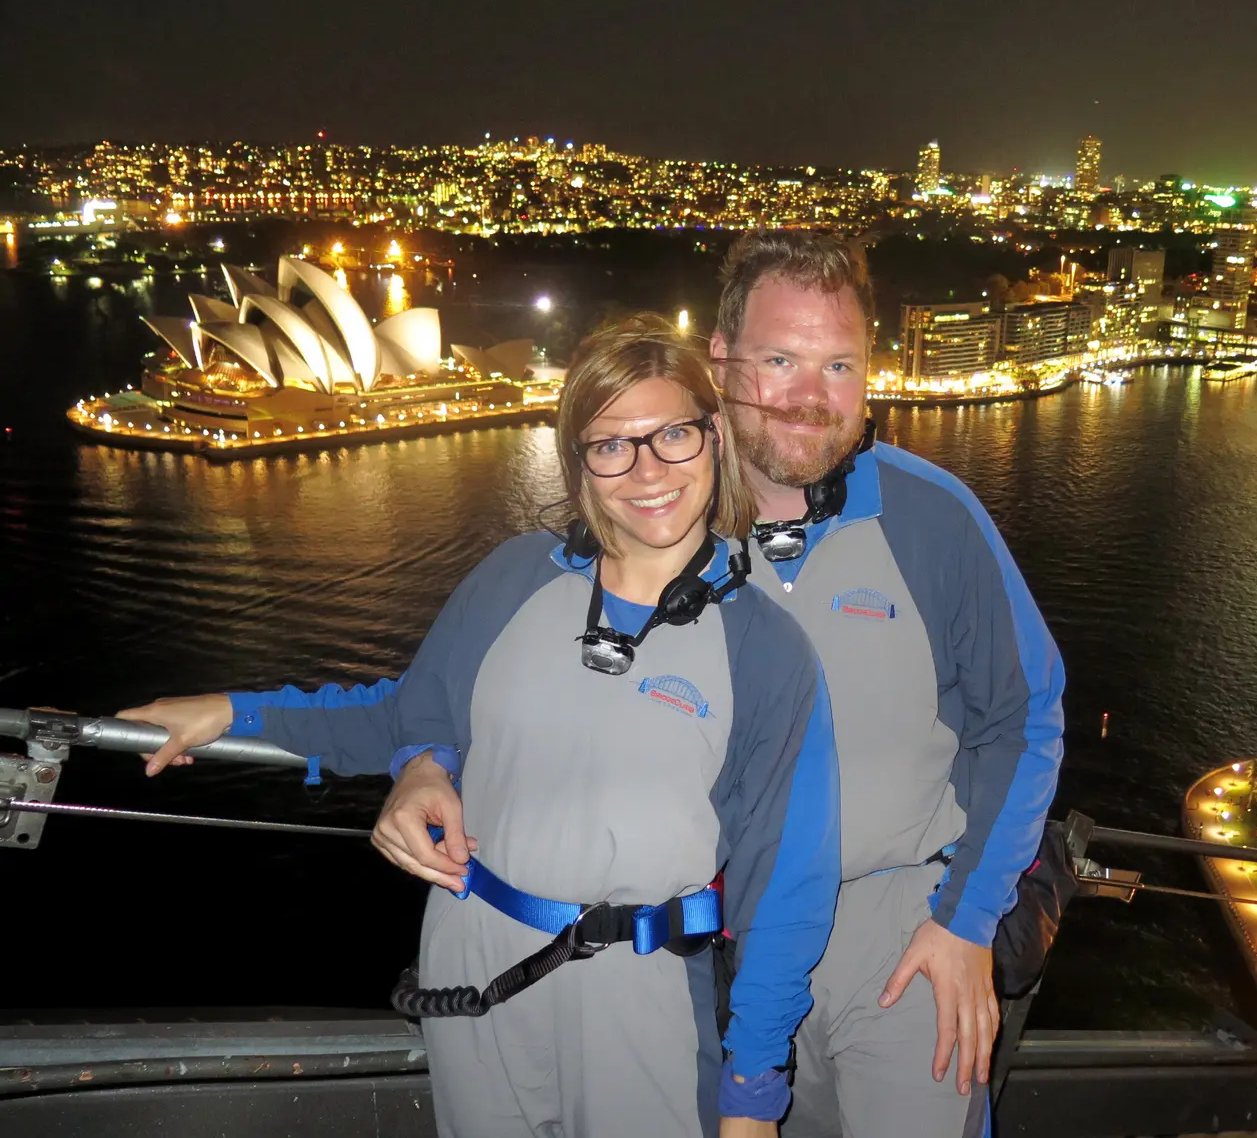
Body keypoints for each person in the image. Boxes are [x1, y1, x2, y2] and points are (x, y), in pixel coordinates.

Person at [123, 314, 843, 1138]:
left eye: (672, 434)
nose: (647, 470)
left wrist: (753, 1090)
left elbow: (787, 887)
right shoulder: (513, 577)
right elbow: (414, 711)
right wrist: (238, 713)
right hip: (470, 954)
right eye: (611, 445)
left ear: (715, 436)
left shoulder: (768, 650)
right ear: (579, 462)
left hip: (639, 989)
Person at [704, 231, 1066, 1138]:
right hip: (733, 941)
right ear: (721, 360)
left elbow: (1025, 717)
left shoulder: (933, 515)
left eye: (839, 365)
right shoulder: (667, 523)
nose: (811, 395)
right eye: (780, 360)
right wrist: (433, 759)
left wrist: (965, 920)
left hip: (905, 932)